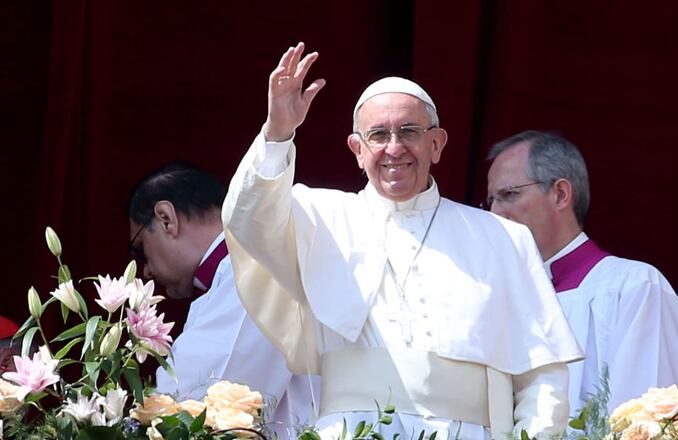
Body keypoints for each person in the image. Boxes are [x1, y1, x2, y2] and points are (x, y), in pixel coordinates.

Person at [222, 42, 583, 440]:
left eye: (409, 131)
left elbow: (542, 372)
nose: (394, 148)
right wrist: (277, 133)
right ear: (357, 150)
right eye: (378, 135)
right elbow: (248, 218)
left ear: (437, 143)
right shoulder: (318, 217)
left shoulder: (503, 238)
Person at [485, 131, 678, 416]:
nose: (494, 213)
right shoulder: (500, 299)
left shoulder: (634, 288)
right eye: (490, 201)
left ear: (560, 194)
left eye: (509, 195)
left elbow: (648, 424)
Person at [127, 162, 318, 437]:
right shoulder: (231, 274)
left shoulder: (253, 266)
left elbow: (191, 400)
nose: (145, 270)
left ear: (166, 219)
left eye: (140, 249)